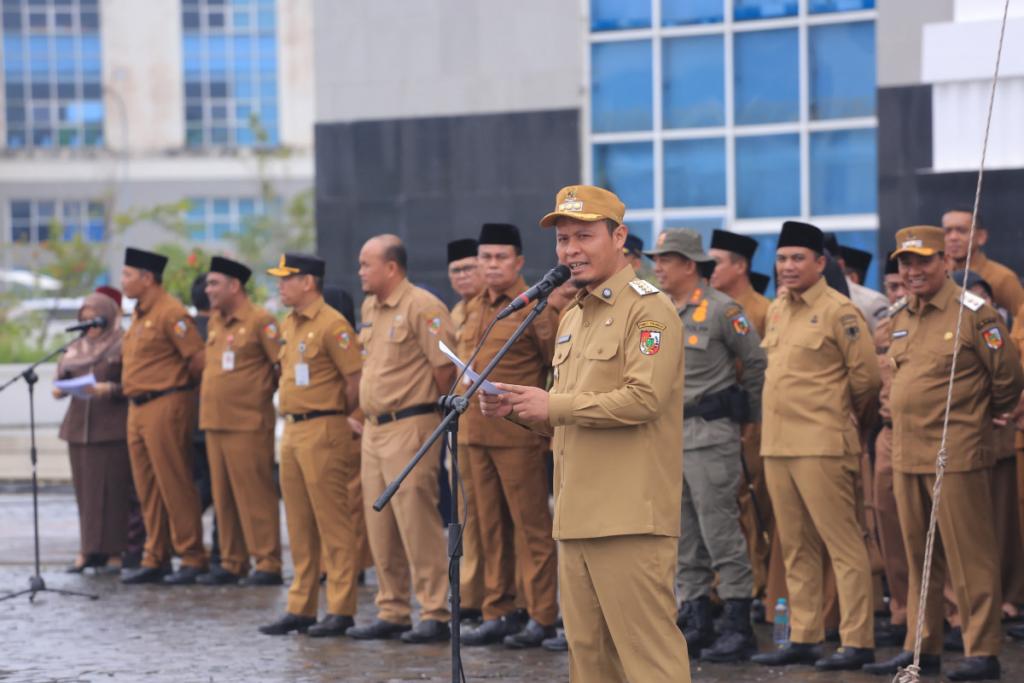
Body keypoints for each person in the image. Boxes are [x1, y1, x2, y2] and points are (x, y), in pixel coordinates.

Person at [480, 185, 692, 682]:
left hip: (628, 518)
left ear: (619, 237)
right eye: (562, 240)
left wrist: (550, 403)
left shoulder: (649, 309)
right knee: (589, 661)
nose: (569, 250)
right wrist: (516, 406)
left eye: (583, 236)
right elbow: (568, 409)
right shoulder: (574, 314)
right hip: (575, 515)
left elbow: (644, 399)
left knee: (648, 660)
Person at [864, 227, 1023, 681]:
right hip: (906, 451)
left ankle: (982, 650)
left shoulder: (974, 314)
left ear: (945, 263)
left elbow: (1008, 379)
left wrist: (974, 419)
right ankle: (924, 646)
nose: (912, 272)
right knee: (919, 556)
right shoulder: (899, 316)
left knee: (969, 555)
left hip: (956, 451)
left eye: (923, 262)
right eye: (904, 264)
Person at [751, 221, 880, 671]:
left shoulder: (839, 311)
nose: (787, 267)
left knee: (843, 545)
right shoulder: (777, 309)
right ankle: (804, 636)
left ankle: (857, 639)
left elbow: (867, 380)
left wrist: (837, 414)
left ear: (821, 263)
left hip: (823, 444)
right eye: (782, 258)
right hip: (778, 445)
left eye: (798, 258)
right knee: (796, 546)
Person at [647, 229, 766, 662]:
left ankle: (737, 620)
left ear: (690, 265)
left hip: (710, 434)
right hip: (668, 437)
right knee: (682, 534)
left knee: (720, 531)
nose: (657, 266)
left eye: (666, 259)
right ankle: (695, 616)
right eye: (656, 259)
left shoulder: (722, 311)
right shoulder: (657, 312)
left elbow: (754, 363)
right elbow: (649, 365)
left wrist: (749, 418)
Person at [348, 235, 455, 644]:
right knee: (381, 523)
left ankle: (434, 610)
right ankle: (392, 608)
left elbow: (443, 369)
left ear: (391, 267)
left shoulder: (423, 307)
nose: (360, 272)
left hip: (412, 425)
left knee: (417, 521)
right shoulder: (370, 307)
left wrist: (427, 416)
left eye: (365, 264)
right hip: (374, 429)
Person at [459, 223, 559, 649]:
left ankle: (542, 615)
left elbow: (558, 365)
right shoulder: (471, 307)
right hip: (474, 434)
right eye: (486, 258)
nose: (492, 265)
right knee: (488, 528)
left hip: (519, 436)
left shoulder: (535, 307)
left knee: (531, 527)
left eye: (501, 257)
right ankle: (499, 609)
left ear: (518, 262)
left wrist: (551, 425)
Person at [256, 253, 362, 637]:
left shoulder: (333, 324)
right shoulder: (290, 322)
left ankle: (340, 607)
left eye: (287, 279)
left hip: (324, 428)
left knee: (334, 524)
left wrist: (341, 416)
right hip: (293, 429)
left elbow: (355, 379)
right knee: (298, 525)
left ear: (309, 282)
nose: (280, 286)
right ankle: (301, 606)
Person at [118, 247, 208, 585]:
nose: (123, 281)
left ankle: (191, 555)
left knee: (174, 482)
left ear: (147, 278)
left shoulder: (171, 312)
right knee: (147, 487)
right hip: (137, 408)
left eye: (128, 275)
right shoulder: (140, 313)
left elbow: (197, 359)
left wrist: (179, 392)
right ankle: (155, 555)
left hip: (165, 403)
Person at [197, 256, 283, 587]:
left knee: (254, 494)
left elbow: (281, 364)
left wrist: (259, 393)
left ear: (235, 286)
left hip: (247, 422)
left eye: (214, 283)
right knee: (224, 497)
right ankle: (233, 562)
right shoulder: (217, 320)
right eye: (208, 284)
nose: (208, 290)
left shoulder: (261, 320)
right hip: (215, 421)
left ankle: (268, 562)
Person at [708, 228, 774, 606]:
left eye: (717, 262)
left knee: (754, 508)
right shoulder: (707, 305)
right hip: (716, 423)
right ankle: (723, 588)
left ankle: (756, 588)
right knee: (720, 508)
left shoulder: (763, 310)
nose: (710, 268)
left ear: (741, 265)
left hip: (753, 423)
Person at [55, 288, 132, 573]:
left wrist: (108, 388)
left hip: (111, 427)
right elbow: (59, 379)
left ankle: (114, 551)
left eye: (95, 318)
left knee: (113, 492)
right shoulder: (75, 347)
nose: (90, 324)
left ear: (109, 317)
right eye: (84, 318)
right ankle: (88, 550)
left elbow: (135, 383)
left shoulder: (122, 343)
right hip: (78, 428)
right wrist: (59, 387)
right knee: (85, 493)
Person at [868, 252, 911, 649]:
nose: (897, 293)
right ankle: (902, 614)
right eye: (892, 285)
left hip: (930, 436)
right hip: (888, 433)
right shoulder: (884, 330)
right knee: (891, 529)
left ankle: (949, 617)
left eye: (903, 285)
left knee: (935, 532)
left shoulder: (940, 320)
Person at [446, 237, 487, 621]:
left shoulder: (493, 309)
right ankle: (472, 597)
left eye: (468, 268)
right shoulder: (456, 312)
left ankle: (495, 599)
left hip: (497, 425)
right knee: (467, 516)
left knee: (494, 522)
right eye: (455, 270)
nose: (462, 276)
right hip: (465, 428)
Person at [942, 207, 1024, 316]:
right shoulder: (939, 275)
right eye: (947, 231)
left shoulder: (1002, 278)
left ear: (981, 237)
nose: (953, 237)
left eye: (962, 230)